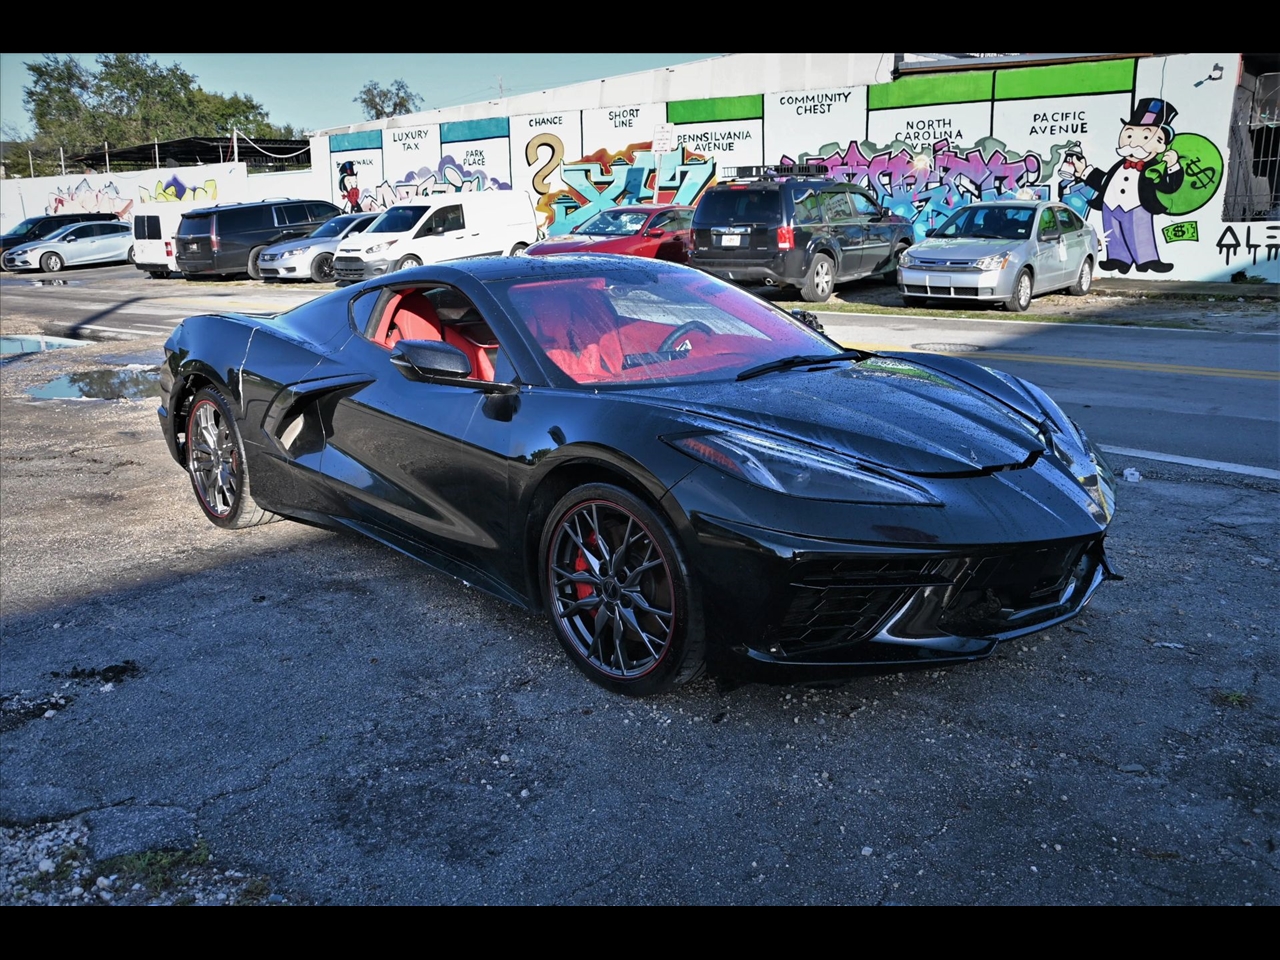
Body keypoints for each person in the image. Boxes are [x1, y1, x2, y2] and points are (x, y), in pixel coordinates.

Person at [1068, 98, 1183, 273]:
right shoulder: (1119, 165)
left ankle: (1147, 260)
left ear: (1161, 145)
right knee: (1113, 233)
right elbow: (1105, 181)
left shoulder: (1154, 168)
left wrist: (1173, 166)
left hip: (1137, 206)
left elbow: (1169, 187)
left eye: (1145, 136)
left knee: (1140, 234)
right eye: (1129, 135)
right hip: (1110, 205)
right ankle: (1117, 259)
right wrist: (1084, 171)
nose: (1133, 142)